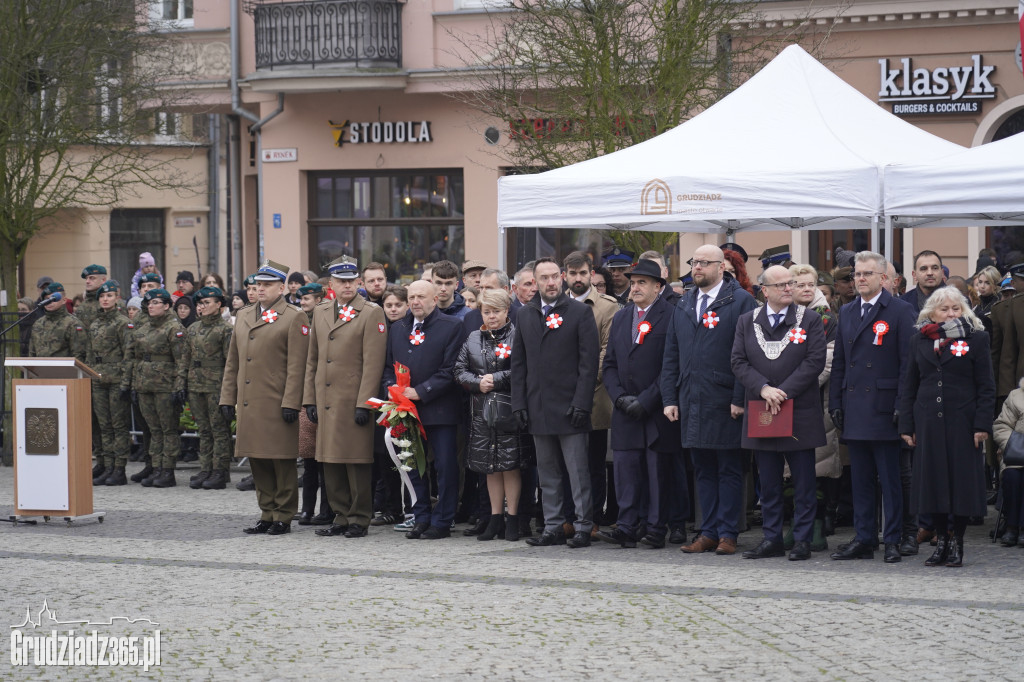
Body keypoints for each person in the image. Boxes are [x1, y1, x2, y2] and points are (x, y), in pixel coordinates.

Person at [663, 246, 756, 555]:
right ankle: (708, 531)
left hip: (724, 397)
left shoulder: (740, 301)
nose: (697, 267)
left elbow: (747, 355)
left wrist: (739, 397)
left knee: (728, 468)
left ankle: (729, 532)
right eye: (694, 262)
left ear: (721, 267)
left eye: (704, 263)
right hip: (691, 396)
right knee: (702, 468)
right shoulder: (685, 302)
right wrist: (670, 397)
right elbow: (671, 354)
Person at [731, 265, 827, 560]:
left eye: (791, 283)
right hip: (762, 409)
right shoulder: (747, 321)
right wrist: (763, 389)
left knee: (803, 481)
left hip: (798, 409)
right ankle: (771, 538)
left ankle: (802, 540)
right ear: (765, 291)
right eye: (782, 285)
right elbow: (738, 361)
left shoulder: (809, 319)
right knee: (769, 481)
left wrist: (781, 391)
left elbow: (814, 362)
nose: (789, 288)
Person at [828, 252, 917, 563]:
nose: (860, 279)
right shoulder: (849, 312)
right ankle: (865, 537)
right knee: (861, 479)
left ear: (883, 278)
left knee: (890, 480)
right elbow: (839, 362)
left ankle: (892, 538)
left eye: (867, 273)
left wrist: (902, 407)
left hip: (884, 407)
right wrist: (835, 402)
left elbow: (908, 365)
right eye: (857, 274)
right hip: (855, 406)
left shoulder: (900, 311)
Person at [899, 288, 995, 567]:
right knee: (934, 483)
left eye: (956, 308)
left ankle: (956, 542)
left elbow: (986, 386)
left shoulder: (977, 338)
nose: (951, 313)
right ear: (931, 312)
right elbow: (910, 385)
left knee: (960, 485)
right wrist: (907, 424)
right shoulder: (919, 340)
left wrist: (982, 424)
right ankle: (940, 540)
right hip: (927, 421)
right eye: (945, 309)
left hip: (963, 422)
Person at [513, 258, 599, 548]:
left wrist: (582, 404)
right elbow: (519, 363)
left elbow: (589, 364)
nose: (550, 283)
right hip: (538, 406)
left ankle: (583, 526)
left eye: (554, 277)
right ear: (534, 282)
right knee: (547, 473)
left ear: (562, 278)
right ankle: (552, 526)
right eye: (543, 278)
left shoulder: (578, 313)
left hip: (571, 407)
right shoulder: (525, 315)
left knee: (577, 472)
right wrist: (519, 404)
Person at [221, 260, 310, 536]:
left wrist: (292, 402)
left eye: (267, 284)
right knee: (258, 459)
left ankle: (284, 514)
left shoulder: (294, 316)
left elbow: (298, 365)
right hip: (250, 402)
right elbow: (233, 361)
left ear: (281, 287)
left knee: (281, 461)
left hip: (277, 401)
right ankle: (266, 512)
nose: (260, 289)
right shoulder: (246, 315)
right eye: (258, 284)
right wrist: (227, 398)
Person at [598, 259, 681, 548]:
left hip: (655, 410)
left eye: (642, 282)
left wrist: (647, 399)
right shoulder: (621, 317)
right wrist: (619, 396)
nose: (635, 287)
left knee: (657, 473)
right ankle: (626, 526)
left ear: (658, 286)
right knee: (625, 471)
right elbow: (609, 364)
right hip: (625, 411)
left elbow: (673, 365)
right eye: (633, 282)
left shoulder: (672, 315)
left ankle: (657, 528)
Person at [303, 257, 388, 539]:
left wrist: (365, 403)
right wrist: (309, 399)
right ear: (331, 285)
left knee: (356, 461)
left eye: (352, 281)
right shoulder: (322, 311)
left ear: (359, 283)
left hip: (353, 401)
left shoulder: (370, 313)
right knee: (330, 460)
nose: (347, 286)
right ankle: (340, 515)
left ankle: (359, 518)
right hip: (326, 398)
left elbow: (373, 363)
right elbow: (312, 359)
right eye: (341, 281)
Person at [382, 280, 467, 539]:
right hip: (405, 410)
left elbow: (451, 369)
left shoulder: (452, 326)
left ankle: (442, 520)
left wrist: (421, 391)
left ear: (434, 299)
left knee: (444, 466)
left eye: (421, 296)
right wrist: (392, 390)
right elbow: (387, 367)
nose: (416, 301)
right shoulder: (398, 328)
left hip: (440, 410)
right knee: (412, 465)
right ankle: (421, 516)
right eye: (412, 297)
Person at [455, 288, 530, 541]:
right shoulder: (474, 337)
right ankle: (495, 518)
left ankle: (512, 518)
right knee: (490, 468)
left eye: (496, 311)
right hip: (481, 411)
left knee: (510, 466)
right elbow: (459, 370)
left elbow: (524, 368)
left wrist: (496, 379)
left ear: (507, 311)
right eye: (486, 312)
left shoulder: (517, 336)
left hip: (508, 411)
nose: (491, 316)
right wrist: (476, 383)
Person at [564, 250, 619, 530]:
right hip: (561, 396)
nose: (578, 278)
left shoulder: (608, 307)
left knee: (594, 462)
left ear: (591, 274)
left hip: (595, 395)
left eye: (583, 273)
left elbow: (607, 351)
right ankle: (567, 517)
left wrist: (582, 384)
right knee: (565, 462)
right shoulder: (555, 305)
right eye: (572, 274)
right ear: (565, 276)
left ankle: (594, 516)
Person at [790, 264, 841, 551]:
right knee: (789, 467)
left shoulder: (827, 319)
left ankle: (817, 524)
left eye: (811, 284)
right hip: (783, 400)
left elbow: (827, 361)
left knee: (819, 465)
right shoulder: (783, 315)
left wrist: (795, 386)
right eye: (800, 284)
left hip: (817, 399)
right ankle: (795, 525)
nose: (807, 288)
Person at [126, 288, 187, 488]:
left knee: (168, 429)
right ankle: (156, 467)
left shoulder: (173, 328)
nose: (151, 306)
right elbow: (135, 358)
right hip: (145, 384)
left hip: (165, 385)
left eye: (156, 303)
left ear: (167, 305)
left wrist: (179, 387)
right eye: (149, 304)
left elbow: (181, 360)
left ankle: (167, 470)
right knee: (154, 430)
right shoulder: (144, 328)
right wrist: (134, 384)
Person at [183, 287, 234, 490]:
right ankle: (206, 468)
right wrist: (183, 384)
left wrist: (229, 392)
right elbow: (185, 359)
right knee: (204, 430)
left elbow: (230, 362)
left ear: (219, 304)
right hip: (196, 384)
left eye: (207, 302)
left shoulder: (225, 329)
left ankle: (220, 470)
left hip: (216, 384)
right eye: (200, 303)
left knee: (219, 429)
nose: (202, 306)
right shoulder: (193, 329)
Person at [370, 284, 408, 528]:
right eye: (389, 305)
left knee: (407, 455)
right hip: (383, 399)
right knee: (385, 456)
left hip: (408, 398)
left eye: (398, 305)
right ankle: (390, 507)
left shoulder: (409, 328)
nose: (393, 309)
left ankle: (412, 507)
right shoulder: (378, 328)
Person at [293, 282, 331, 523]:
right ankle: (307, 508)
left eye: (306, 298)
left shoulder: (327, 320)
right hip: (306, 397)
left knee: (327, 460)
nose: (302, 302)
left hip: (326, 393)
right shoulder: (299, 322)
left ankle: (327, 509)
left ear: (318, 300)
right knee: (309, 460)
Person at [87, 280, 132, 486]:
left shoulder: (122, 323)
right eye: (102, 297)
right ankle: (105, 464)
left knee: (118, 425)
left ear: (116, 298)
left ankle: (119, 468)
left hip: (116, 378)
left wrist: (125, 381)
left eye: (109, 296)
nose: (105, 299)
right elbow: (89, 353)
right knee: (103, 425)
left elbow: (128, 353)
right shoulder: (95, 323)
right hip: (98, 377)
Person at [993, 379, 1024, 546]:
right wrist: (1014, 445)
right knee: (1012, 475)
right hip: (1017, 456)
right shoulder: (1016, 396)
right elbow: (1001, 427)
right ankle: (1012, 526)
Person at [29, 282, 88, 363]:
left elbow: (79, 356)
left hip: (66, 373)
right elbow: (32, 354)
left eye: (53, 298)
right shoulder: (38, 324)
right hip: (41, 373)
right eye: (46, 299)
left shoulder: (73, 324)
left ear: (64, 300)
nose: (49, 301)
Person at [77, 264, 110, 331]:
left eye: (92, 278)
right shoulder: (83, 304)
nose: (87, 281)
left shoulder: (109, 302)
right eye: (86, 278)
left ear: (103, 280)